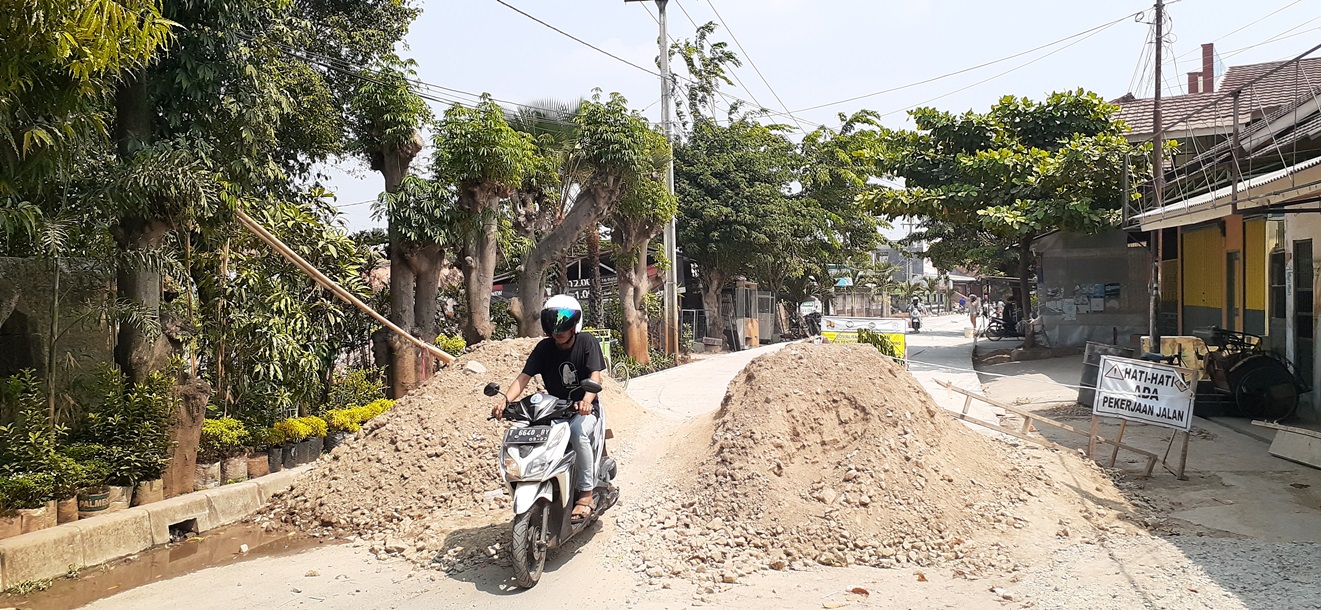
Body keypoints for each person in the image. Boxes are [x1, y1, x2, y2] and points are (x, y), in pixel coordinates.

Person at [492, 294, 604, 523]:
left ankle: (586, 494)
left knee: (577, 433)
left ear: (575, 325)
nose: (558, 330)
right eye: (552, 324)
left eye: (563, 324)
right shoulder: (543, 348)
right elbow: (524, 378)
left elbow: (595, 376)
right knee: (527, 433)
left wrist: (586, 400)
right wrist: (505, 401)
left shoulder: (587, 342)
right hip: (554, 411)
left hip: (583, 411)